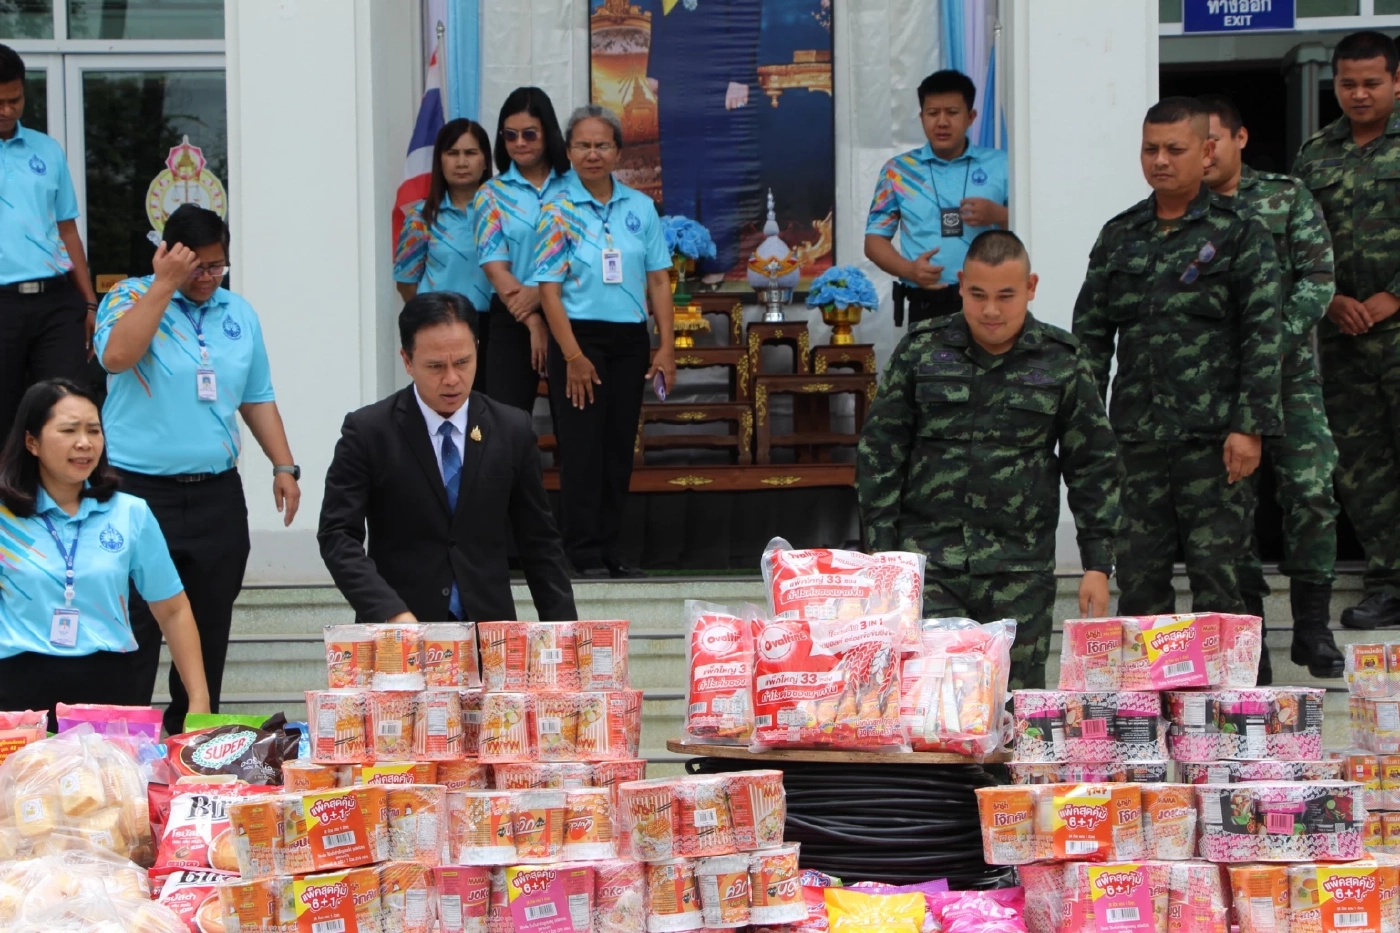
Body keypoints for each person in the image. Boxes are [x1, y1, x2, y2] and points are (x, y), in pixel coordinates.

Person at [857, 230, 1122, 690]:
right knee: (931, 704)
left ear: (1031, 287)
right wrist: (884, 557)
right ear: (961, 284)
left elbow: (1093, 465)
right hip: (929, 565)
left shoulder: (1061, 360)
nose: (991, 310)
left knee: (1015, 707)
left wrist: (1097, 564)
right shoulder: (922, 351)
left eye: (1006, 295)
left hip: (1019, 570)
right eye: (978, 295)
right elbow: (881, 452)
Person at [1073, 97, 1284, 642]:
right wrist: (1087, 428)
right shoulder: (1119, 235)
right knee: (1142, 587)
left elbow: (1263, 335)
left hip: (1215, 442)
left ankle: (1239, 712)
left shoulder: (1240, 233)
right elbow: (1091, 338)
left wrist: (1250, 426)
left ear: (1207, 150)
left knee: (1222, 584)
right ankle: (1155, 712)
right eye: (1150, 148)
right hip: (1136, 443)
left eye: (1175, 148)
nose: (1160, 160)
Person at [94, 203, 301, 737]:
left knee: (207, 630)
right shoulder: (128, 297)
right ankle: (127, 747)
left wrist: (284, 465)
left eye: (217, 266)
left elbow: (256, 396)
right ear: (168, 256)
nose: (208, 278)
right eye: (198, 267)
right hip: (137, 494)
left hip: (214, 495)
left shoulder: (239, 313)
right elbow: (115, 356)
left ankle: (192, 743)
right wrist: (164, 286)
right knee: (136, 629)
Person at [317, 292, 577, 623]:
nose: (452, 379)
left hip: (489, 637)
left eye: (463, 362)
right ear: (407, 361)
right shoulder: (369, 432)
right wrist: (389, 610)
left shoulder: (511, 429)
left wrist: (567, 637)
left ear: (477, 351)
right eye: (436, 366)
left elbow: (540, 543)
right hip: (402, 636)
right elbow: (337, 536)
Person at [1200, 93, 1344, 680]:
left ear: (1240, 138)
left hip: (1289, 380)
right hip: (1218, 387)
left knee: (1312, 491)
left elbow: (1318, 279)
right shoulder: (1184, 212)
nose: (1204, 152)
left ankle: (1312, 625)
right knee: (1231, 510)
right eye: (1195, 141)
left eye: (1214, 139)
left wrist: (1270, 340)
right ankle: (1249, 635)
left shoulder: (1286, 196)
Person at [0, 378, 209, 725]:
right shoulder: (5, 518)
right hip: (18, 693)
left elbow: (172, 610)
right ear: (32, 441)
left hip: (109, 690)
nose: (84, 443)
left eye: (93, 431)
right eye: (68, 430)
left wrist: (198, 701)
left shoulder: (130, 513)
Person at [531, 105, 677, 579]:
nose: (592, 154)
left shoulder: (639, 207)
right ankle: (582, 554)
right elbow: (548, 291)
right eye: (582, 145)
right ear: (569, 151)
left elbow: (658, 281)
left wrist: (666, 346)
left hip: (629, 340)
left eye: (602, 145)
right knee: (581, 449)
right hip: (577, 338)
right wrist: (571, 355)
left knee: (617, 448)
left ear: (617, 150)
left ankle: (610, 550)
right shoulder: (556, 209)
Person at [1293, 31, 1400, 630]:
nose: (1359, 94)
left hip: (1397, 325)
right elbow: (1299, 241)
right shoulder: (1314, 156)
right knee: (1363, 467)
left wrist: (1392, 298)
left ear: (1397, 81)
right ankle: (1387, 581)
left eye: (1372, 82)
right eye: (1348, 83)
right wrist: (1329, 300)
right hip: (1344, 337)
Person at [0, 44, 101, 442]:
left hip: (55, 300)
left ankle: (65, 502)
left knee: (67, 408)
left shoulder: (46, 149)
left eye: (15, 99)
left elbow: (67, 229)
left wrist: (89, 302)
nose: (7, 110)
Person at [865, 70, 1009, 328]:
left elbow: (1036, 230)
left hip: (992, 304)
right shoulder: (897, 171)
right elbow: (874, 240)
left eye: (952, 113)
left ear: (971, 117)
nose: (942, 122)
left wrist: (999, 215)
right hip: (927, 304)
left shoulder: (1002, 165)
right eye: (933, 113)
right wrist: (908, 270)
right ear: (921, 118)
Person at [474, 88, 573, 413]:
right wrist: (532, 320)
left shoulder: (576, 186)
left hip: (574, 310)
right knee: (505, 425)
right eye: (510, 135)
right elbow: (495, 268)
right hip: (513, 316)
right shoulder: (491, 193)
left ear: (548, 133)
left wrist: (542, 295)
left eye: (530, 134)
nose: (520, 143)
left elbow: (584, 252)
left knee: (576, 425)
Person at [394, 119, 496, 392]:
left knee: (489, 416)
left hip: (496, 328)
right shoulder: (421, 216)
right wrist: (435, 316)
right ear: (440, 160)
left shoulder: (501, 213)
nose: (461, 162)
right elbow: (405, 281)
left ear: (486, 161)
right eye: (452, 153)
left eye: (470, 153)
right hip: (443, 329)